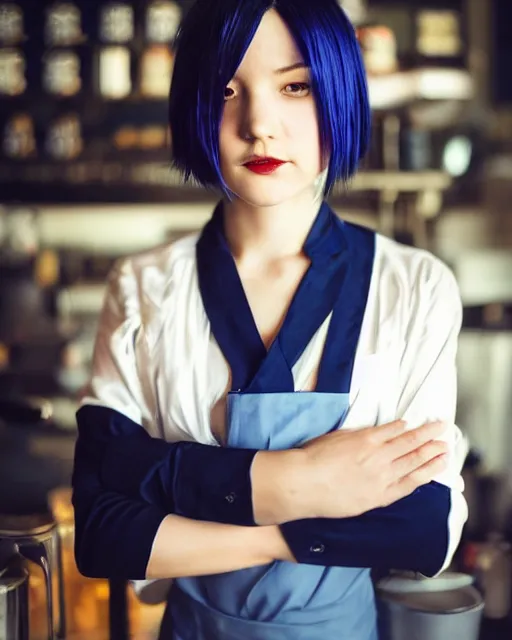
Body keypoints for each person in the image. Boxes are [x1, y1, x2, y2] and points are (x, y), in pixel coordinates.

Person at [71, 1, 469, 638]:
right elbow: (101, 533)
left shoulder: (415, 287)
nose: (259, 124)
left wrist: (180, 488)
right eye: (226, 90)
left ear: (339, 89)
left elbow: (423, 528)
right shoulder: (146, 287)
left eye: (296, 86)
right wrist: (301, 483)